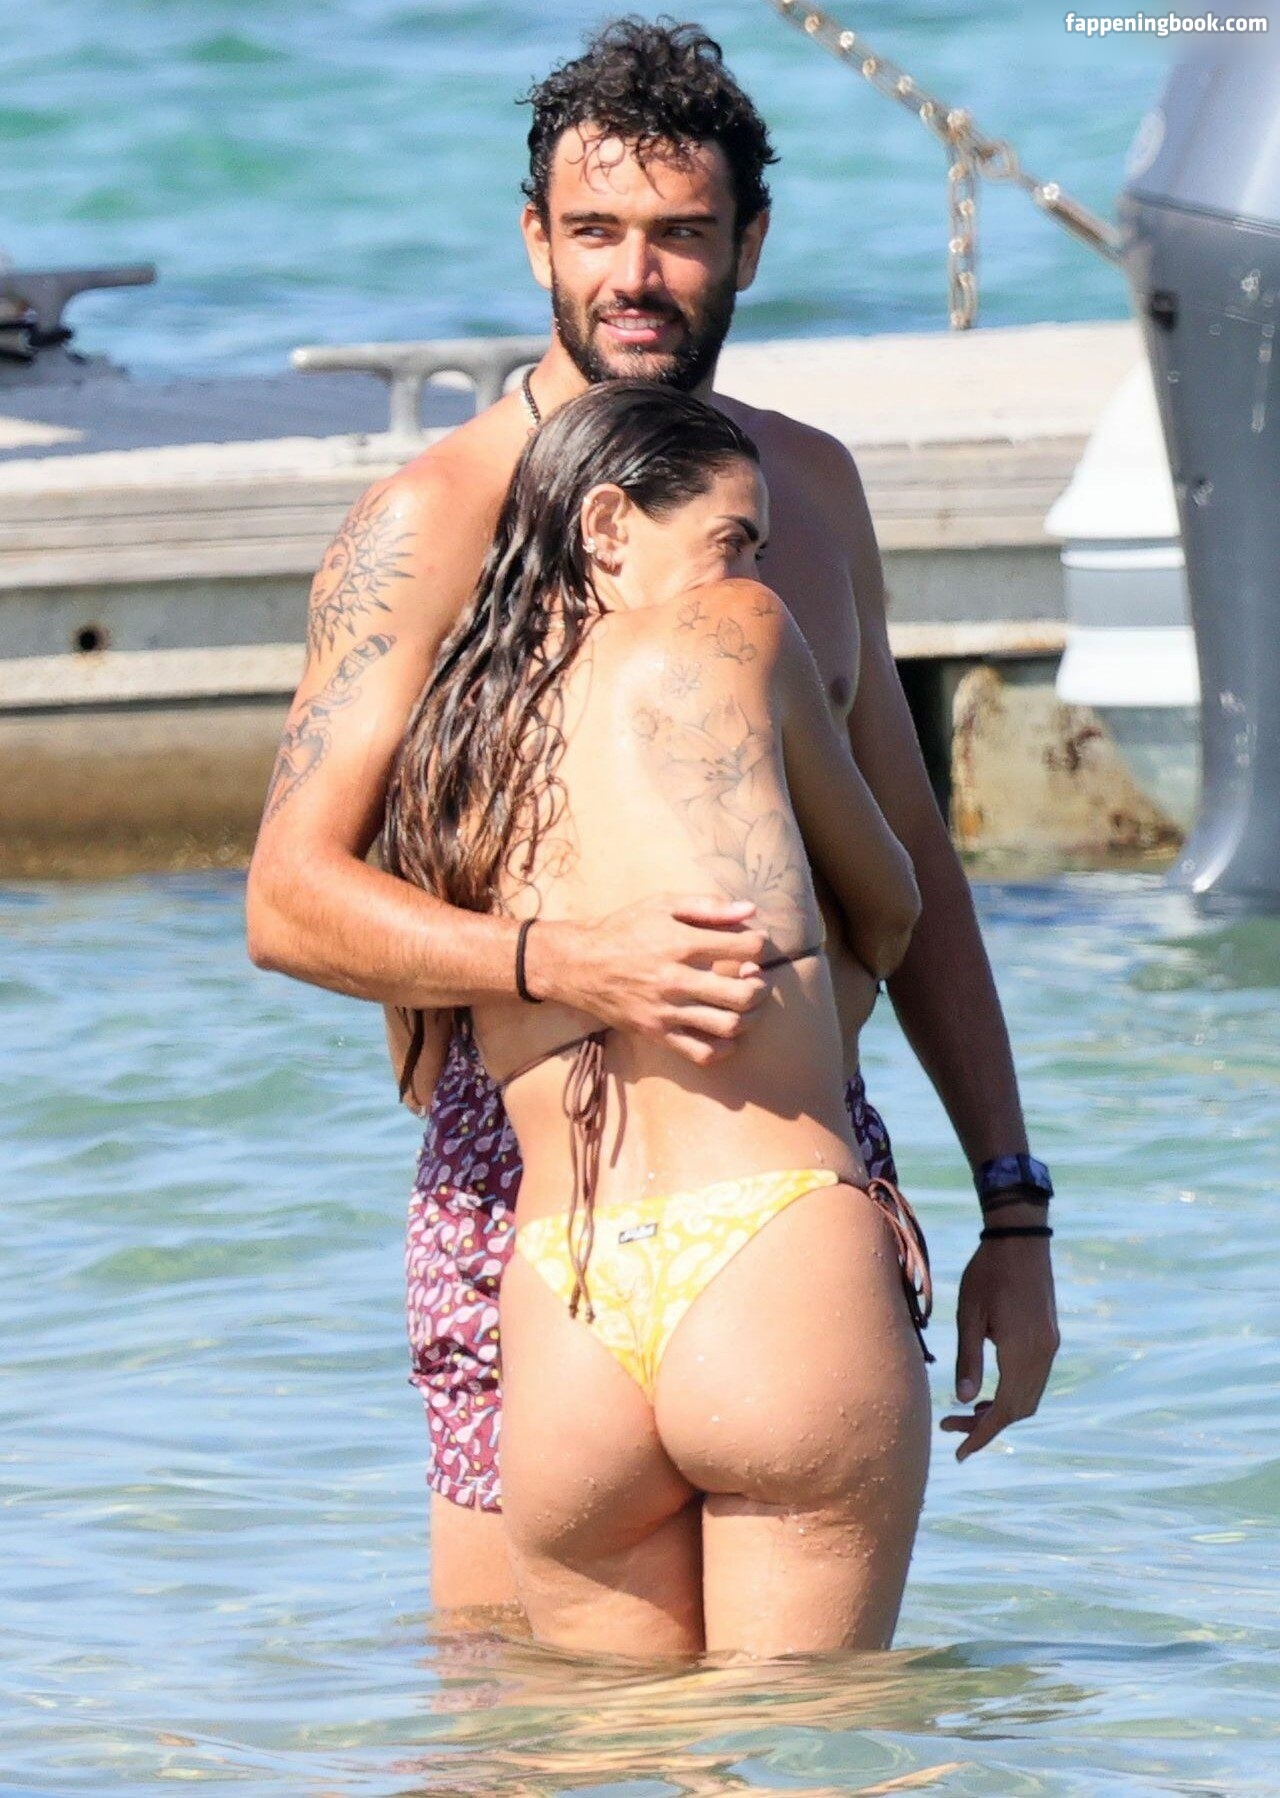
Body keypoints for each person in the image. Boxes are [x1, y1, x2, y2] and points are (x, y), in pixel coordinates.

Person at [244, 19, 1059, 1614]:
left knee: (793, 1731)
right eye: (596, 230)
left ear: (749, 244)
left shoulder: (803, 496)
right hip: (518, 1180)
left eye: (681, 233)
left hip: (790, 1148)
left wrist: (1013, 1208)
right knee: (517, 1723)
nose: (636, 275)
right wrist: (557, 957)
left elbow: (920, 865)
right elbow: (287, 898)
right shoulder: (430, 521)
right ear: (534, 240)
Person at [383, 378, 931, 1657]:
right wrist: (818, 1010)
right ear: (607, 525)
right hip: (768, 1250)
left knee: (602, 1748)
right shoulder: (738, 630)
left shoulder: (453, 740)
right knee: (805, 1740)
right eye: (732, 537)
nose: (751, 570)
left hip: (563, 1301)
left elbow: (419, 1058)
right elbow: (894, 900)